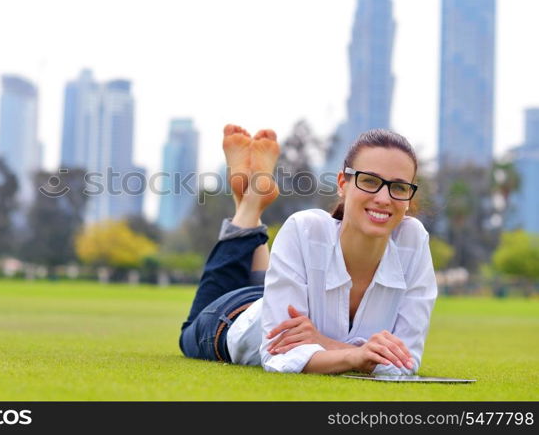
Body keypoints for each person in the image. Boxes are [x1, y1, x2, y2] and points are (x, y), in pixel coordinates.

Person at [179, 124, 437, 375]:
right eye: (369, 181)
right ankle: (249, 205)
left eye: (399, 187)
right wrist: (354, 355)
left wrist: (322, 341)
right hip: (236, 317)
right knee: (188, 333)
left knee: (264, 287)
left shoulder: (413, 241)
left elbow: (404, 363)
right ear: (342, 184)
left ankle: (248, 199)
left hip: (279, 294)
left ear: (409, 197)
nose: (383, 198)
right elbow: (278, 354)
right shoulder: (306, 229)